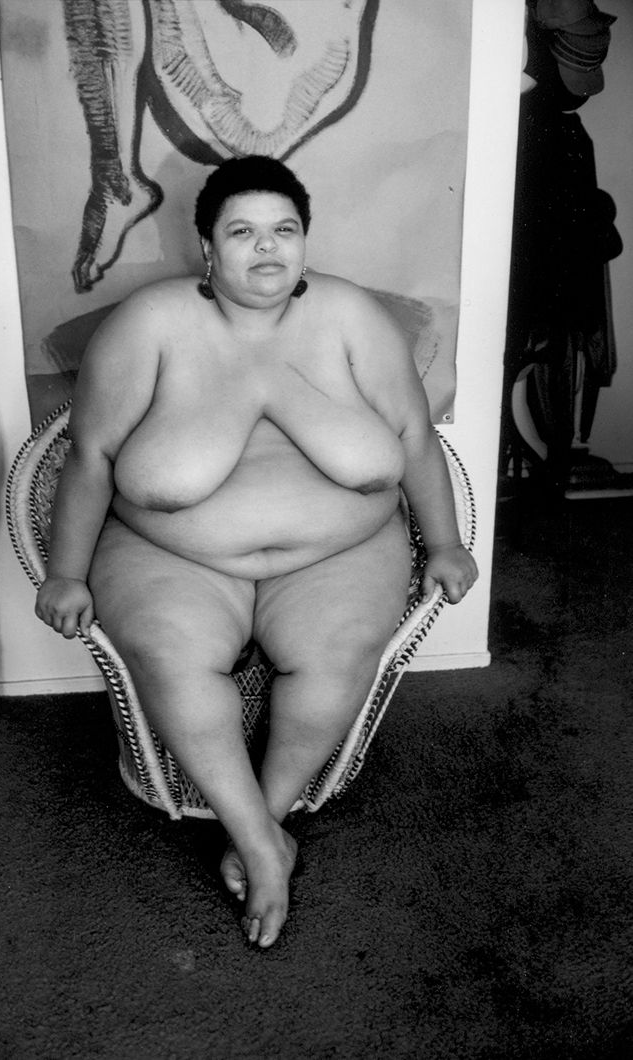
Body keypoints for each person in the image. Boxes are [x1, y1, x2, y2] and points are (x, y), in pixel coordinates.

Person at [35, 155, 478, 949]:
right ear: (207, 248)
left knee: (337, 655)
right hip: (173, 557)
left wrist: (443, 542)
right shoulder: (150, 321)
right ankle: (265, 846)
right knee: (170, 655)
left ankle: (259, 829)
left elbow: (414, 435)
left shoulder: (349, 316)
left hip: (337, 555)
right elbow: (90, 455)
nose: (267, 247)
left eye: (284, 229)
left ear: (305, 240)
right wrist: (66, 572)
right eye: (242, 232)